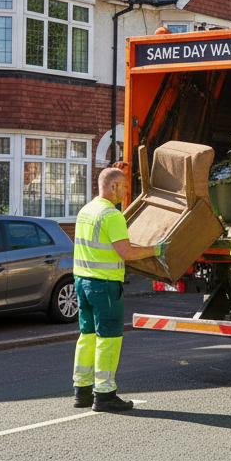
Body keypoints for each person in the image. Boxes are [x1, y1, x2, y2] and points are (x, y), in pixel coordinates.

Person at [71, 167, 167, 413]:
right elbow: (126, 252)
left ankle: (81, 390)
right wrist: (155, 250)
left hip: (82, 282)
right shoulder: (111, 215)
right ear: (113, 186)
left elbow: (112, 245)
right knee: (109, 339)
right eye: (123, 185)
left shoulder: (86, 210)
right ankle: (104, 394)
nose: (126, 190)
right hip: (104, 286)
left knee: (87, 337)